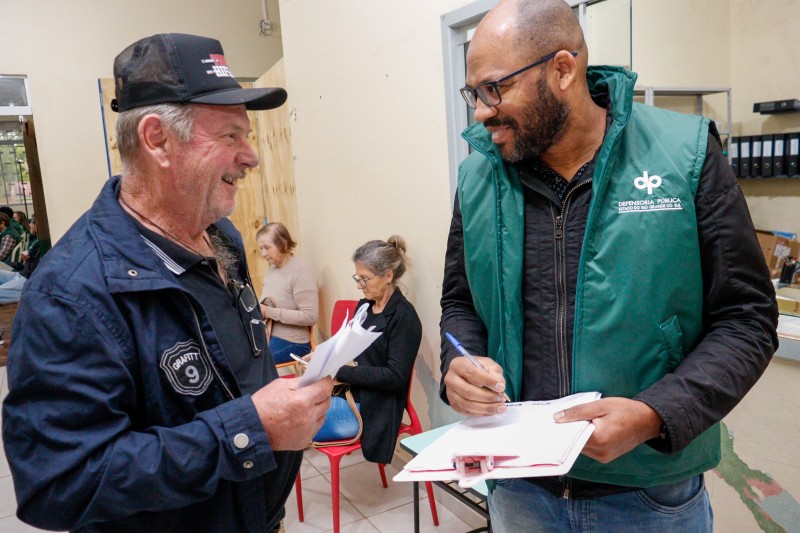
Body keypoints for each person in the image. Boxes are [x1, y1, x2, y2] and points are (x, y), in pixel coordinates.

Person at [439, 1, 778, 532]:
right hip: (520, 492)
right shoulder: (479, 178)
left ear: (563, 69)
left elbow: (748, 319)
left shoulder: (684, 155)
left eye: (493, 88)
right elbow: (460, 304)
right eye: (474, 94)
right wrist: (456, 366)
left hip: (650, 496)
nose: (481, 112)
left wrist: (654, 414)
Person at [2, 33, 333, 533]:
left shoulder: (221, 236)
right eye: (230, 137)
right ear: (157, 139)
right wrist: (245, 432)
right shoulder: (69, 294)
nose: (251, 157)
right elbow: (60, 484)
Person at [317, 235, 421, 464]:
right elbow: (345, 344)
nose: (358, 285)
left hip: (376, 405)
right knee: (296, 406)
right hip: (350, 393)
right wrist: (322, 355)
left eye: (364, 279)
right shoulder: (364, 307)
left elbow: (395, 377)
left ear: (388, 276)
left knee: (298, 420)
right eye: (358, 278)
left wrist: (338, 370)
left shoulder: (404, 316)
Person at [257, 222, 319, 364]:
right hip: (269, 334)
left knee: (256, 366)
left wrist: (268, 312)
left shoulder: (300, 271)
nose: (263, 254)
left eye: (267, 248)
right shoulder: (272, 270)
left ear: (283, 245)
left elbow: (310, 317)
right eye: (261, 248)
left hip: (294, 342)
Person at [0, 214, 41, 304]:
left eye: (32, 223)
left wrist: (29, 259)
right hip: (20, 274)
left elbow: (2, 255)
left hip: (26, 280)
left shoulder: (8, 235)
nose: (29, 225)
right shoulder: (35, 240)